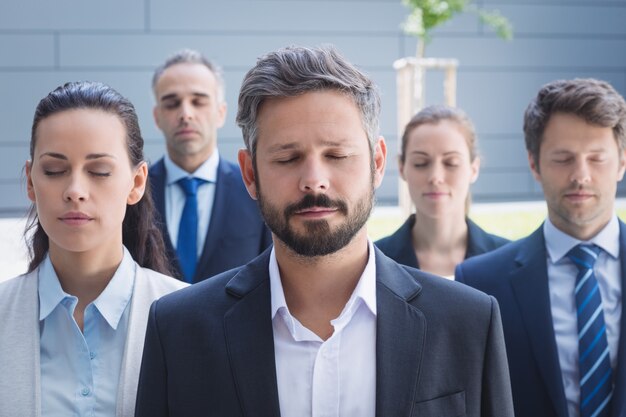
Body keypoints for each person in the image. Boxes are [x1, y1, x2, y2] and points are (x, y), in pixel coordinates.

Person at [135, 45, 514, 417]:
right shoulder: (177, 331)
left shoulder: (468, 323)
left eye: (336, 155)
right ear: (250, 174)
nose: (314, 181)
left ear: (377, 163)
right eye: (288, 158)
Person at [0, 81, 187, 417]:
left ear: (137, 182)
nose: (75, 190)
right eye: (54, 171)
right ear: (30, 181)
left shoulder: (193, 318)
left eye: (99, 171)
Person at [456, 78, 626, 417]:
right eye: (563, 159)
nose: (581, 175)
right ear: (534, 164)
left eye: (597, 158)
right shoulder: (480, 283)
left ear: (622, 162)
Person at [150, 49, 271, 283]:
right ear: (157, 117)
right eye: (172, 103)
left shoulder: (257, 190)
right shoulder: (135, 194)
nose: (186, 114)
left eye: (198, 101)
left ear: (220, 112)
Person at [376, 105, 509, 277]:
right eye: (420, 163)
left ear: (474, 169)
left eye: (451, 163)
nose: (435, 177)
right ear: (402, 168)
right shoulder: (374, 264)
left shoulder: (508, 260)